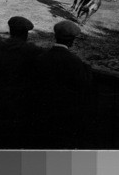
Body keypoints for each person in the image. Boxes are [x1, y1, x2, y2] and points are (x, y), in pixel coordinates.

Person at [31, 20, 93, 148]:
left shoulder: (41, 57)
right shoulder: (74, 62)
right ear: (72, 41)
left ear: (55, 37)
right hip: (65, 115)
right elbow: (83, 85)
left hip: (41, 112)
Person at [0, 16, 44, 148]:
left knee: (1, 135)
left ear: (11, 31)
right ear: (25, 34)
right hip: (20, 101)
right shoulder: (32, 50)